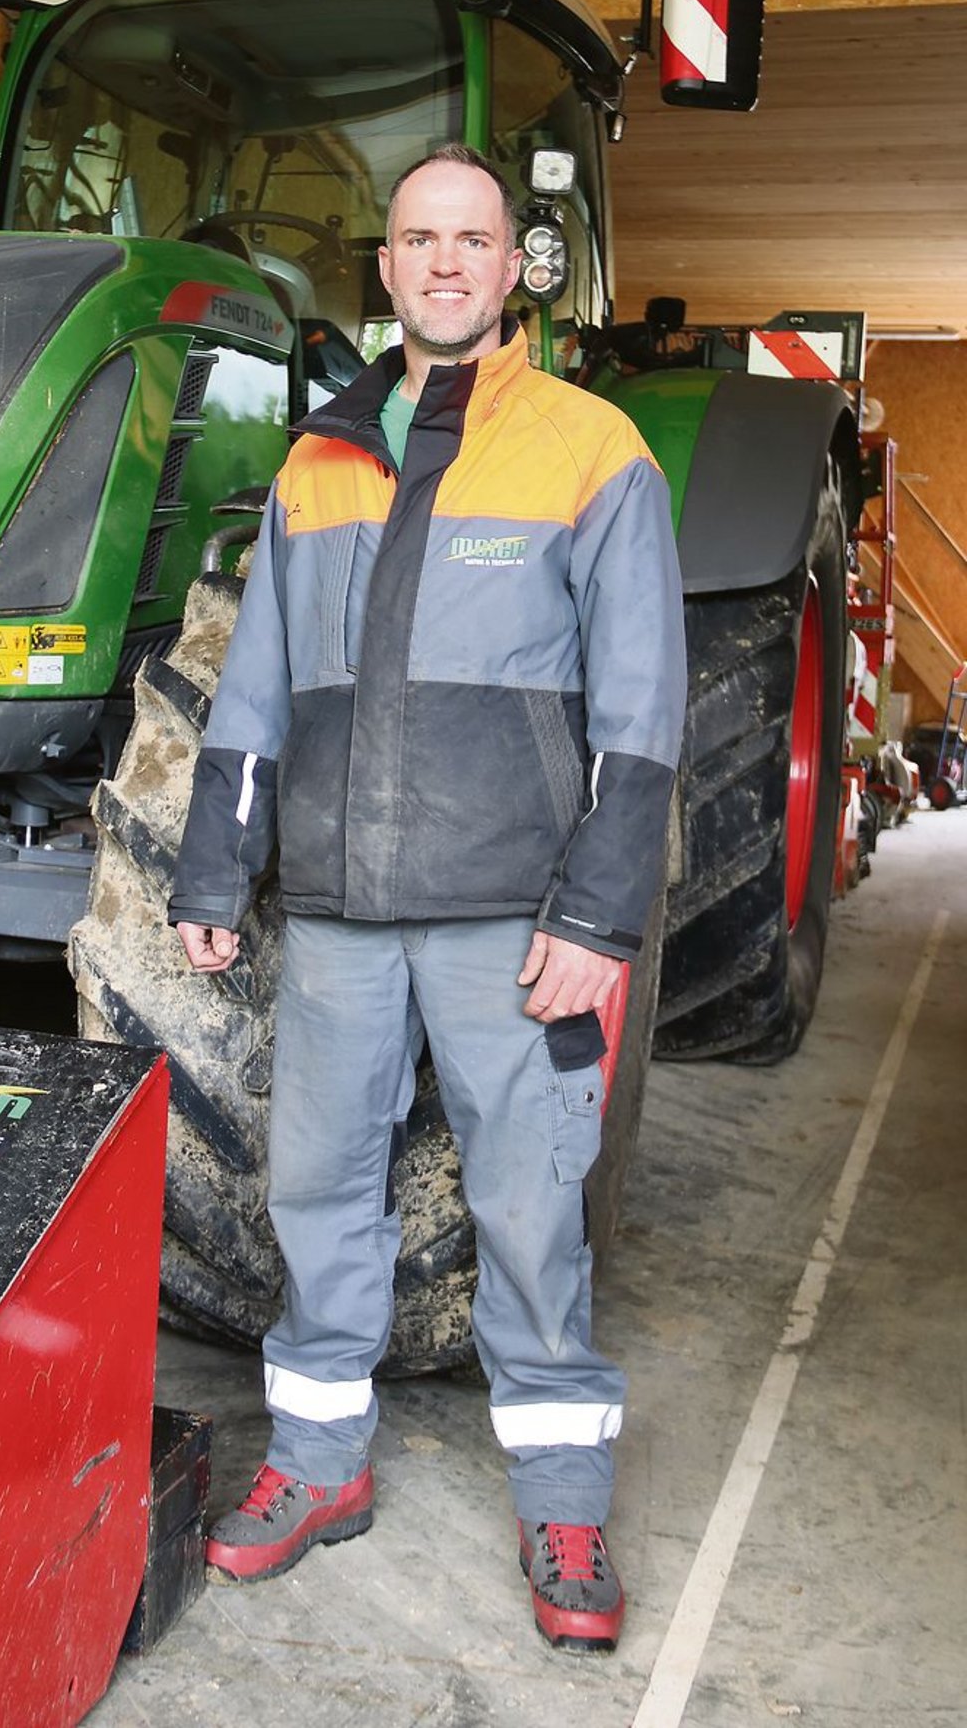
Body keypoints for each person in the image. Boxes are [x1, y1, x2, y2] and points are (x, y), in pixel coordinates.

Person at [167, 144, 685, 1652]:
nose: (446, 261)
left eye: (473, 238)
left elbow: (641, 709)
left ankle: (564, 1501)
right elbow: (256, 689)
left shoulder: (592, 450)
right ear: (384, 268)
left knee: (529, 1206)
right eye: (418, 239)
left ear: (515, 266)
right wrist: (216, 866)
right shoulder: (319, 462)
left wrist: (595, 921)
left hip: (511, 914)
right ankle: (319, 1460)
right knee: (316, 1192)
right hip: (340, 909)